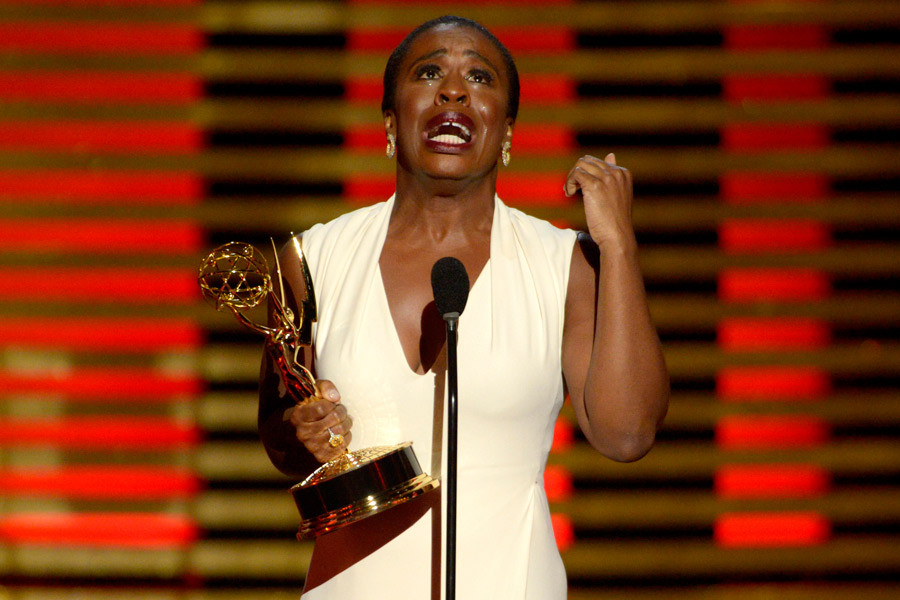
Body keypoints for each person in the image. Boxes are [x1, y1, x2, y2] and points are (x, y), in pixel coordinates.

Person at [258, 15, 669, 599]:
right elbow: (278, 437)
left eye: (480, 77)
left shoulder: (564, 265)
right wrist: (302, 431)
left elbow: (626, 435)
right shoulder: (310, 261)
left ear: (505, 131)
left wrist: (619, 245)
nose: (453, 89)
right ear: (391, 122)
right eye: (429, 73)